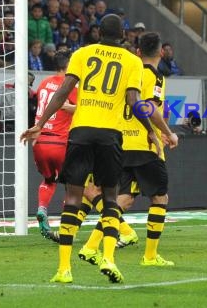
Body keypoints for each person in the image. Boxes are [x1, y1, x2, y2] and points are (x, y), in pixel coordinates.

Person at [20, 14, 163, 284]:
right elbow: (134, 101)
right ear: (122, 35)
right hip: (110, 135)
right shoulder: (132, 61)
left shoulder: (82, 54)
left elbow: (63, 91)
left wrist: (39, 124)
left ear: (98, 32)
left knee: (73, 199)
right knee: (110, 198)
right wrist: (151, 132)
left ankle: (64, 269)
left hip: (81, 132)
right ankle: (108, 257)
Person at [78, 32, 179, 267]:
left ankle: (90, 246)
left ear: (138, 52)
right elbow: (149, 108)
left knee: (122, 200)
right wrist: (167, 132)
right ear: (161, 52)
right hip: (144, 145)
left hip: (119, 144)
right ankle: (150, 256)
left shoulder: (126, 72)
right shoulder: (154, 76)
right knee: (159, 197)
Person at [32, 52, 76, 242]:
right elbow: (81, 108)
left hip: (40, 142)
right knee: (73, 186)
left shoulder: (43, 83)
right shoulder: (70, 85)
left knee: (49, 179)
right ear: (69, 65)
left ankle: (42, 208)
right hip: (60, 142)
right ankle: (67, 229)